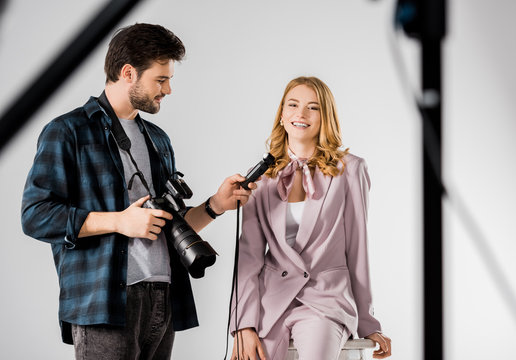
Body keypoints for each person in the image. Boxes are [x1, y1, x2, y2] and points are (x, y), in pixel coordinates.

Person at [21, 23, 254, 359]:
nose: (169, 89)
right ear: (128, 73)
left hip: (163, 297)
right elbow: (35, 215)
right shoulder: (67, 132)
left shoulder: (158, 140)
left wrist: (217, 204)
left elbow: (169, 225)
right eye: (161, 79)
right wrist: (119, 222)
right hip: (105, 305)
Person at [229, 76, 392, 360]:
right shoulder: (261, 178)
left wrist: (367, 322)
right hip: (271, 303)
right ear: (282, 115)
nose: (301, 114)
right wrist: (243, 323)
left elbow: (358, 250)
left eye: (313, 107)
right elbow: (250, 257)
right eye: (293, 105)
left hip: (324, 302)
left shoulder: (350, 170)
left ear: (325, 117)